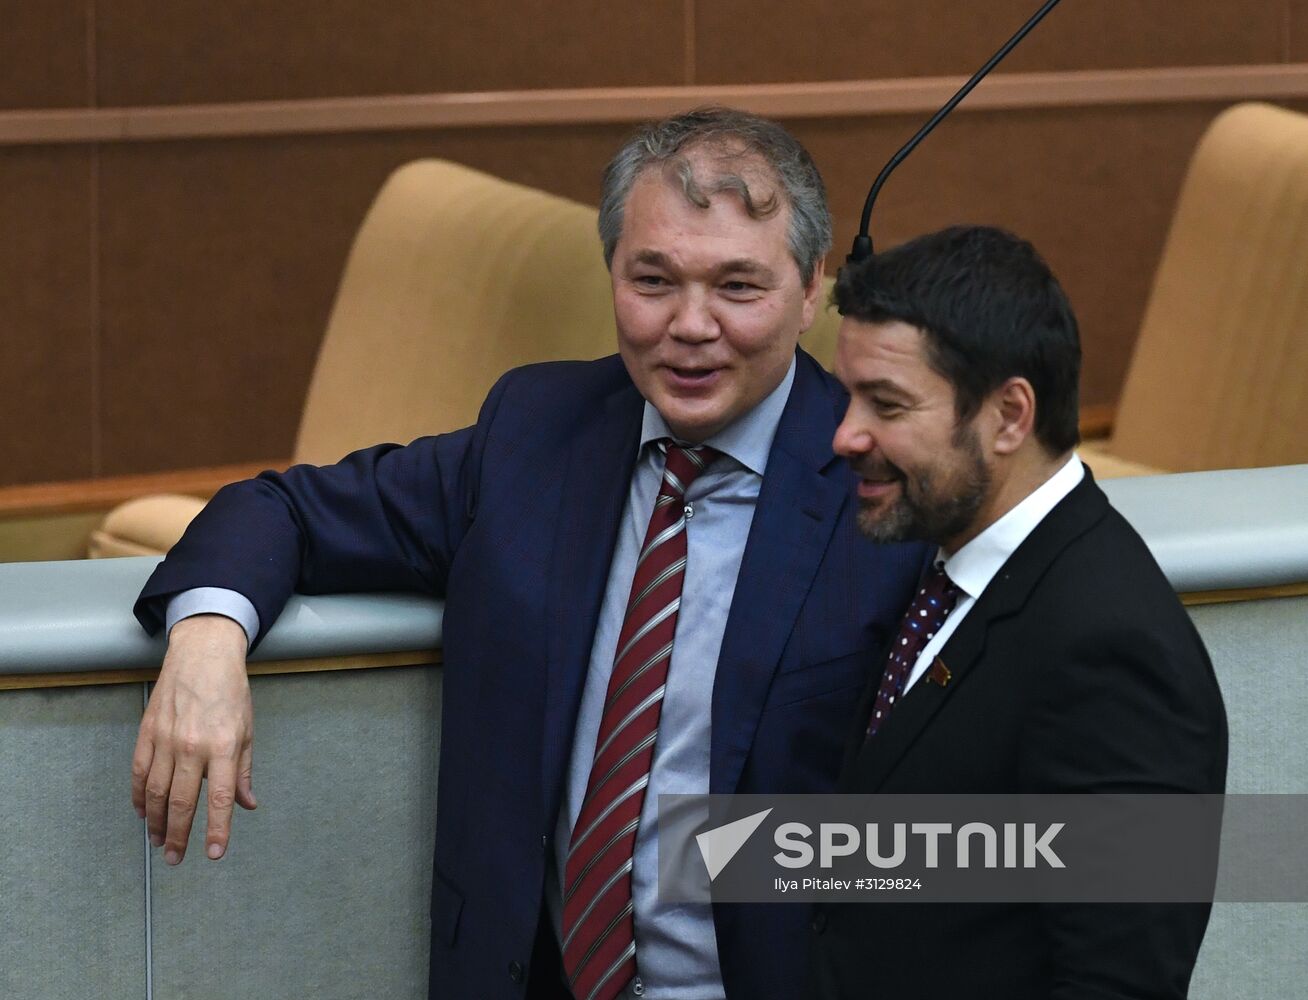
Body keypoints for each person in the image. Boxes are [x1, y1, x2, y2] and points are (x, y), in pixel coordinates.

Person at [129, 107, 926, 1000]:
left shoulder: (896, 488)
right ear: (612, 273)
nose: (691, 325)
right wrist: (205, 639)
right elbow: (282, 509)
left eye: (739, 287)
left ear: (812, 288)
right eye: (653, 279)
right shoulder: (535, 435)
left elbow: (1020, 832)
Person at [811, 225, 1228, 999]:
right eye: (847, 398)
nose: (846, 435)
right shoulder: (942, 563)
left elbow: (1120, 982)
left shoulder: (1111, 649)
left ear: (1008, 416)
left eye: (887, 404)